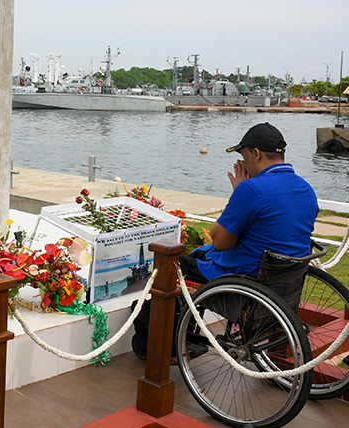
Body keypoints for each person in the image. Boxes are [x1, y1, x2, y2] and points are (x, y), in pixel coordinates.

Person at [132, 122, 318, 358]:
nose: (245, 165)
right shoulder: (305, 188)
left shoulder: (252, 189)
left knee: (172, 266)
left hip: (246, 279)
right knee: (198, 256)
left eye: (245, 157)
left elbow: (220, 242)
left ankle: (156, 347)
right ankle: (185, 331)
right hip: (283, 282)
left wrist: (239, 192)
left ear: (256, 154)